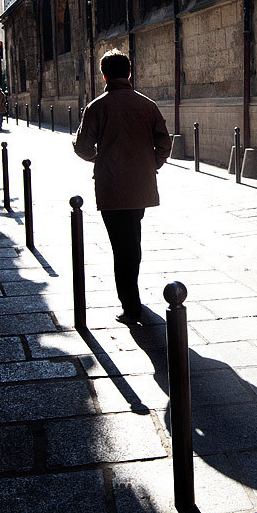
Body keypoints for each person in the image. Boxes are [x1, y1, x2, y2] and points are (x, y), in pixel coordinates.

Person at [73, 49, 172, 325]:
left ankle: (131, 306)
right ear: (129, 72)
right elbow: (165, 143)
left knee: (121, 246)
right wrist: (151, 164)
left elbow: (82, 146)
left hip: (111, 186)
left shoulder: (97, 107)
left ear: (104, 75)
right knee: (133, 240)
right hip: (139, 186)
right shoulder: (147, 105)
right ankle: (133, 297)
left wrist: (99, 157)